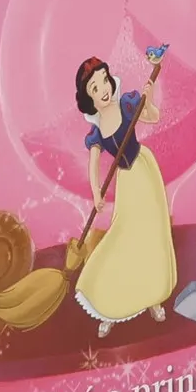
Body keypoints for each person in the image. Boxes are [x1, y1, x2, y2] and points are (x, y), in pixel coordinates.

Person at [72, 56, 178, 337]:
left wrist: (149, 98)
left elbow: (153, 117)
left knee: (152, 232)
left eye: (104, 81)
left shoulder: (127, 104)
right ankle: (109, 306)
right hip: (127, 180)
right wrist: (96, 192)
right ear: (89, 99)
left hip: (144, 170)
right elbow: (93, 164)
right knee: (123, 232)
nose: (103, 90)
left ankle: (153, 298)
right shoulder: (96, 132)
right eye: (95, 88)